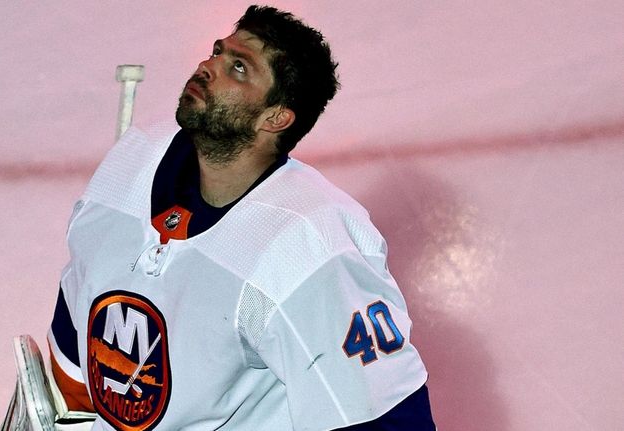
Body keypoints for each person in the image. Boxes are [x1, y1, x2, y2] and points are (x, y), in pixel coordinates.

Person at [48, 5, 435, 430]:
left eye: (238, 67)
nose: (207, 66)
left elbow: (384, 418)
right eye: (217, 51)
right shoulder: (133, 163)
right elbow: (78, 320)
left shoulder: (310, 246)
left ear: (276, 117)